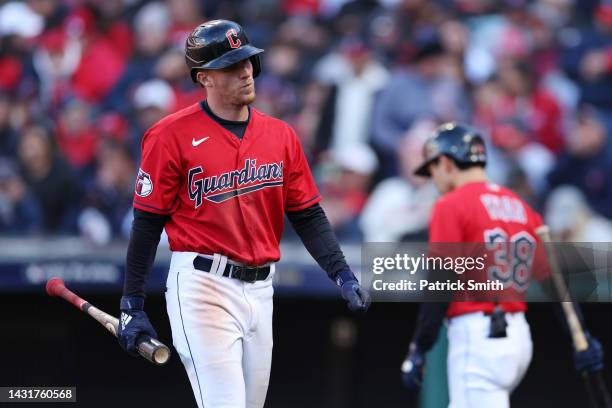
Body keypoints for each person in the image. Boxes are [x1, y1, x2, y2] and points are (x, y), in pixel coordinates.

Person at [116, 19, 370, 408]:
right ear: (205, 78)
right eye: (232, 66)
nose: (246, 71)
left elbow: (307, 214)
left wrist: (341, 273)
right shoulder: (170, 135)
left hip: (261, 290)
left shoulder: (280, 135)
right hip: (202, 286)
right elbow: (148, 223)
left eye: (248, 61)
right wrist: (131, 303)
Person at [399, 123, 604, 407]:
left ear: (446, 162)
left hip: (478, 337)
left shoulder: (452, 204)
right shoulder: (521, 206)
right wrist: (580, 334)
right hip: (518, 338)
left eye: (432, 168)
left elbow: (440, 284)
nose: (432, 178)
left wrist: (420, 346)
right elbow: (555, 284)